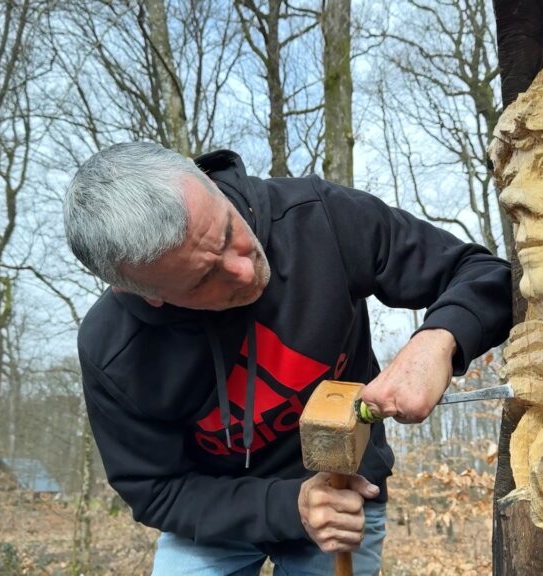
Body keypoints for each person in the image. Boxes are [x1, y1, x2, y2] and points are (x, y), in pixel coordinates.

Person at [64, 142, 512, 575]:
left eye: (226, 230)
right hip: (217, 518)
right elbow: (155, 490)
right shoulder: (115, 350)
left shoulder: (317, 217)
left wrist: (439, 338)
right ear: (147, 294)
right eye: (204, 278)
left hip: (344, 494)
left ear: (201, 179)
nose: (244, 268)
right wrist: (288, 506)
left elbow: (483, 272)